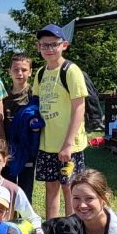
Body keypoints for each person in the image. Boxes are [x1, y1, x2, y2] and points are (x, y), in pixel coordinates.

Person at [33, 24, 88, 219]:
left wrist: (68, 144)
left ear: (64, 45)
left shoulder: (71, 70)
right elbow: (36, 105)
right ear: (38, 47)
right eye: (44, 45)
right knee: (51, 188)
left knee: (70, 189)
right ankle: (53, 231)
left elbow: (79, 107)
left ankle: (73, 231)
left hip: (68, 145)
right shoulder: (40, 73)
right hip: (48, 144)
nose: (48, 49)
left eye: (53, 45)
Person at [2, 53, 37, 199]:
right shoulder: (3, 96)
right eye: (16, 70)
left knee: (25, 191)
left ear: (30, 72)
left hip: (27, 149)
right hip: (7, 149)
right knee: (6, 190)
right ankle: (7, 219)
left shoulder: (34, 94)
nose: (20, 73)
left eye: (24, 69)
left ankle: (24, 220)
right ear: (9, 71)